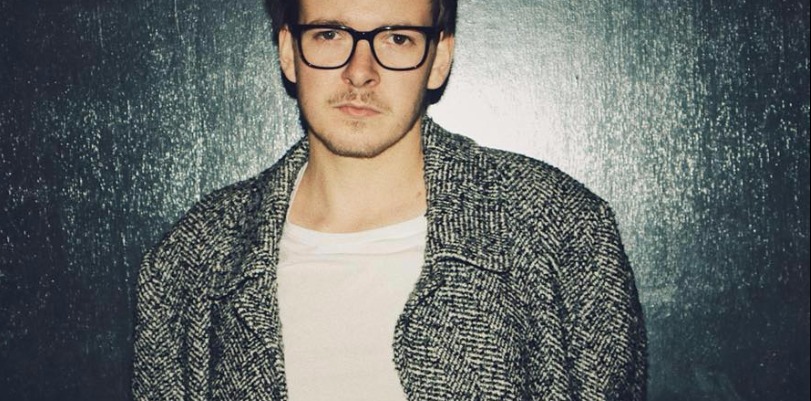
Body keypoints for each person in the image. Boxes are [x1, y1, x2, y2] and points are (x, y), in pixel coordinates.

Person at [132, 0, 647, 399]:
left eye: (397, 38)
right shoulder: (191, 260)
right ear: (289, 51)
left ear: (438, 58)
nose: (360, 72)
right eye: (330, 34)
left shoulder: (561, 228)